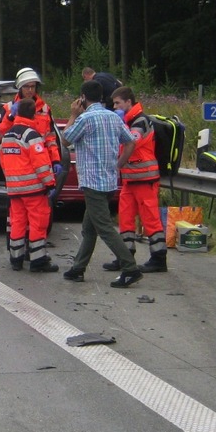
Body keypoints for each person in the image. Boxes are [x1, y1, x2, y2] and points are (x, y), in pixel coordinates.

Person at [60, 79, 142, 287]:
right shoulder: (113, 117)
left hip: (92, 182)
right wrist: (119, 165)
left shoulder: (85, 119)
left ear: (83, 98)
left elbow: (65, 139)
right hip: (109, 181)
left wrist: (72, 115)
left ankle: (130, 267)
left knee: (104, 227)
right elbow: (130, 141)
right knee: (89, 228)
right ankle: (78, 268)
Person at [105, 86, 167, 273]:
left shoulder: (141, 121)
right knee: (125, 218)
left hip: (145, 178)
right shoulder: (129, 120)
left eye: (117, 103)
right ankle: (125, 256)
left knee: (150, 219)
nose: (115, 106)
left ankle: (159, 259)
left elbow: (132, 141)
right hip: (131, 179)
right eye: (114, 103)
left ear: (128, 102)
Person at [0, 98, 59, 273]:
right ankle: (38, 260)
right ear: (33, 114)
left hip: (14, 189)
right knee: (38, 223)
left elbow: (3, 163)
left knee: (17, 223)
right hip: (33, 189)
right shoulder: (32, 135)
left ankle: (16, 259)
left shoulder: (7, 136)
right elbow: (41, 164)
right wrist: (50, 184)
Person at [0, 68, 62, 178]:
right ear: (20, 87)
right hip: (16, 165)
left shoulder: (44, 109)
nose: (30, 90)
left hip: (39, 162)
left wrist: (55, 160)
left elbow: (50, 138)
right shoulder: (8, 108)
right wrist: (10, 117)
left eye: (33, 86)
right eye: (26, 86)